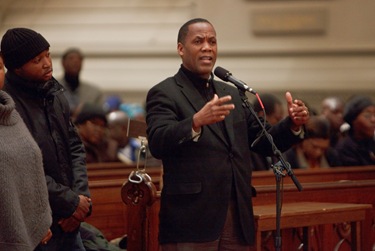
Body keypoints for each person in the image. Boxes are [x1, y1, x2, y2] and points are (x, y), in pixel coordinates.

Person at [145, 18, 310, 250]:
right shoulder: (165, 92)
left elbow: (264, 140)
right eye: (198, 41)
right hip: (192, 218)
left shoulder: (230, 92)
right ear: (181, 49)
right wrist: (195, 122)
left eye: (212, 41)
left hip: (237, 213)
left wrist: (292, 123)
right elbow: (158, 142)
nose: (207, 47)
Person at [1, 27, 92, 251]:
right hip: (37, 223)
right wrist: (70, 203)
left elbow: (75, 147)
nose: (47, 63)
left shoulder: (55, 94)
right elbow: (25, 168)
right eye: (36, 59)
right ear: (16, 67)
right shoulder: (9, 106)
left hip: (70, 219)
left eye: (48, 54)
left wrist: (81, 199)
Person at [0, 53, 52, 250]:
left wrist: (39, 219)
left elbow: (31, 165)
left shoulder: (10, 113)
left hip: (34, 234)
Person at [58, 47, 103, 114]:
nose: (75, 62)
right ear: (63, 63)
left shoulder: (94, 93)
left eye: (79, 59)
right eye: (71, 58)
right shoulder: (51, 88)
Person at [334, 95, 375, 166]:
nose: (373, 119)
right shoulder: (345, 148)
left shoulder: (372, 143)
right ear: (353, 120)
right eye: (367, 115)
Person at [250, 93, 285, 170]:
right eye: (277, 119)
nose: (280, 124)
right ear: (262, 116)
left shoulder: (277, 144)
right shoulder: (248, 148)